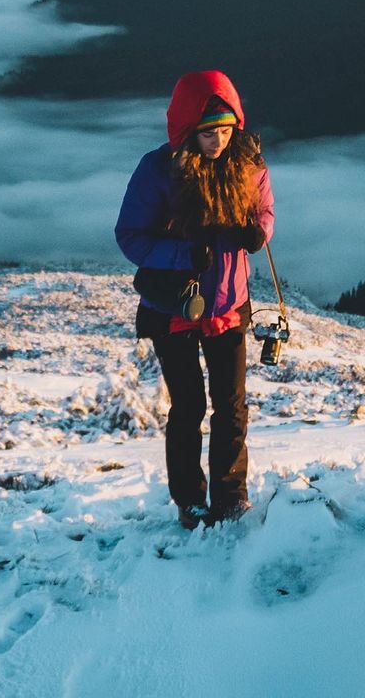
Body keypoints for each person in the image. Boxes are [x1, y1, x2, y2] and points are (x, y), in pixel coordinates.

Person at [115, 69, 274, 529]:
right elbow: (130, 237)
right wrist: (183, 254)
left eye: (225, 131)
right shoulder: (158, 170)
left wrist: (259, 232)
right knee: (189, 408)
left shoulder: (248, 163)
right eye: (208, 133)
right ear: (188, 129)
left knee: (232, 407)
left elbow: (265, 210)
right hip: (175, 309)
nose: (218, 141)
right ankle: (190, 501)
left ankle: (230, 497)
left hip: (228, 305)